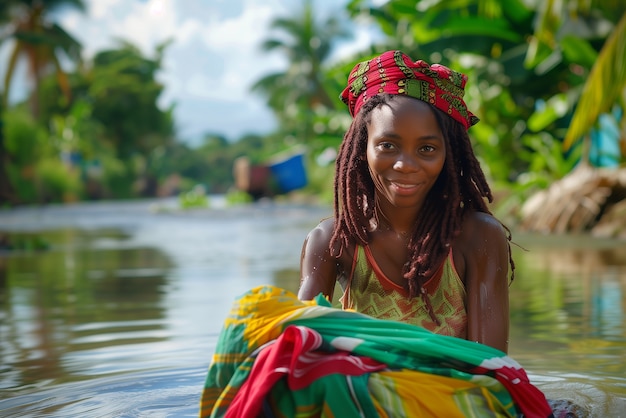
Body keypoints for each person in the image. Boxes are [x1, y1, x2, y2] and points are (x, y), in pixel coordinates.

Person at [298, 50, 513, 353]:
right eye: (388, 145)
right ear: (362, 149)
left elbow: (491, 368)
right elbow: (298, 345)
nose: (405, 165)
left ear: (448, 156)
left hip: (455, 396)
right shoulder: (332, 242)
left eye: (426, 149)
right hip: (360, 395)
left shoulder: (478, 237)